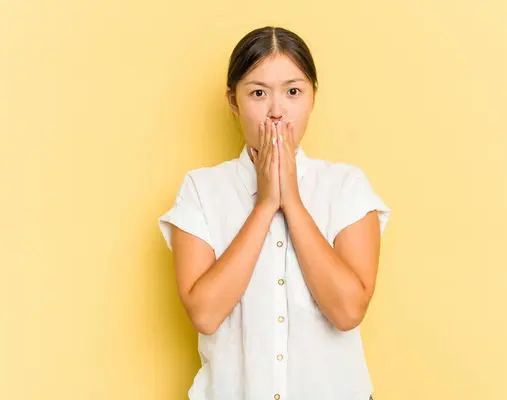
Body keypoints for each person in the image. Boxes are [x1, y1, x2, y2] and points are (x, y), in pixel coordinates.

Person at [159, 26, 390, 400]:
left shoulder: (347, 187)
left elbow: (348, 311)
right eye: (258, 93)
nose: (277, 111)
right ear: (233, 101)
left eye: (293, 91)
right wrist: (266, 204)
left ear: (313, 97)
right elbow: (204, 314)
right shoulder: (201, 190)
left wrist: (292, 202)